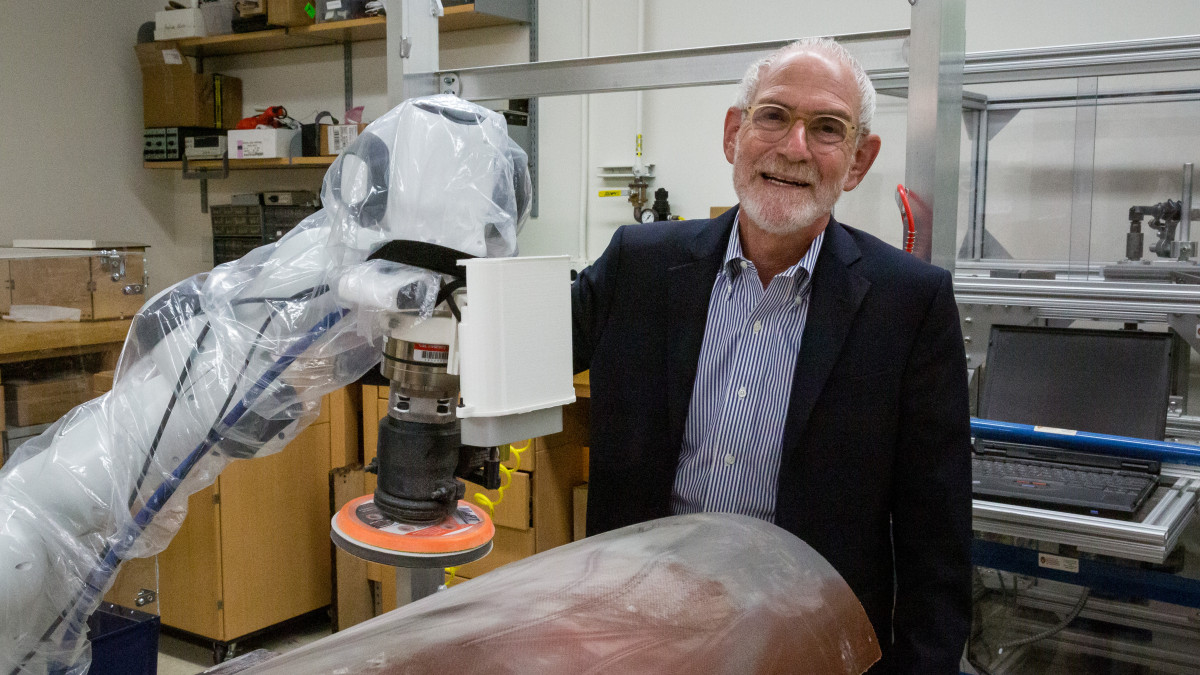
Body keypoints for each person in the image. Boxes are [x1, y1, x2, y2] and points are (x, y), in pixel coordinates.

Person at [571, 37, 972, 674]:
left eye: (827, 128)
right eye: (774, 115)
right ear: (734, 132)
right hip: (638, 636)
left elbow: (937, 544)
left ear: (859, 161)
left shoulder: (909, 303)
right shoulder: (637, 266)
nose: (794, 148)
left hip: (806, 648)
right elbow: (514, 352)